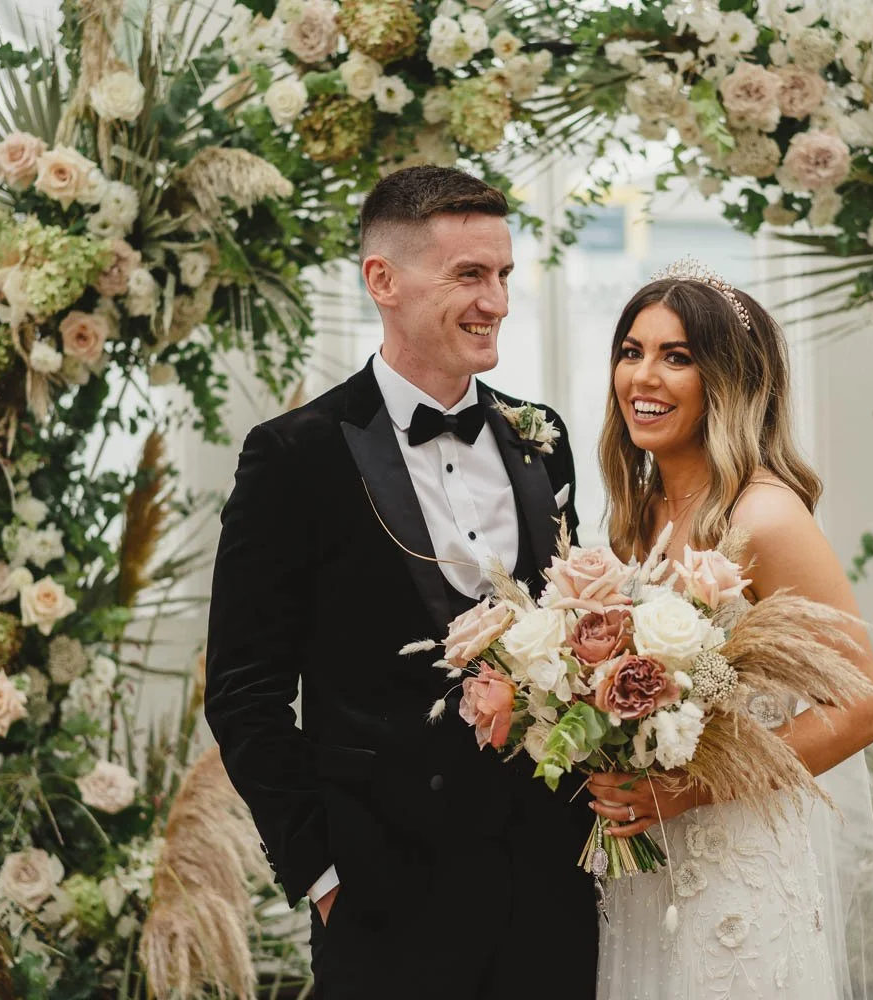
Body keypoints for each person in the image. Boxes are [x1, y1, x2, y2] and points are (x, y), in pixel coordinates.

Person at [204, 166, 598, 999]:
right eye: (469, 275)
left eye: (504, 274)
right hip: (383, 904)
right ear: (382, 280)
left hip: (549, 893)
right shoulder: (294, 456)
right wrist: (323, 877)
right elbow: (244, 693)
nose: (496, 301)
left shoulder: (541, 437)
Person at [588, 264, 873, 999]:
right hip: (648, 869)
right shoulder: (639, 514)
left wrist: (690, 790)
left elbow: (861, 708)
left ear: (728, 381)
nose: (643, 377)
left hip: (736, 872)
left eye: (676, 357)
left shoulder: (764, 517)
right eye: (631, 351)